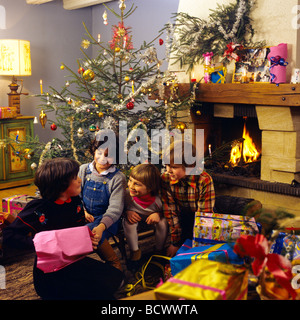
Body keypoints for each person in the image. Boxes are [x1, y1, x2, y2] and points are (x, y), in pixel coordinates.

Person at [3, 158, 124, 300]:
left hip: (72, 261)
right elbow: (8, 235)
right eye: (74, 177)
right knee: (101, 295)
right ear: (61, 185)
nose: (80, 180)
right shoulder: (38, 208)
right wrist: (40, 244)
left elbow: (76, 231)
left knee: (117, 279)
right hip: (49, 272)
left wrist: (88, 239)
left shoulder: (75, 202)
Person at [78, 130, 127, 272]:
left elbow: (115, 209)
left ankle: (114, 263)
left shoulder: (117, 178)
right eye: (99, 153)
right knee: (72, 231)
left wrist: (101, 226)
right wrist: (83, 211)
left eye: (108, 155)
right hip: (84, 214)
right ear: (93, 151)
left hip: (107, 220)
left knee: (91, 232)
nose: (102, 159)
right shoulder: (83, 170)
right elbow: (76, 196)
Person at [161, 140, 215, 257]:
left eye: (174, 167)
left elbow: (204, 217)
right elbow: (171, 211)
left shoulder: (204, 180)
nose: (168, 170)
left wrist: (199, 247)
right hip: (182, 215)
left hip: (200, 214)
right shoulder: (166, 178)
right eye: (166, 165)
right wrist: (175, 243)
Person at [123, 164, 168, 265]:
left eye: (137, 184)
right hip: (136, 220)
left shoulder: (158, 199)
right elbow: (118, 207)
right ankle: (135, 252)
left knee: (163, 223)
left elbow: (167, 212)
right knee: (128, 223)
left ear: (150, 188)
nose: (131, 186)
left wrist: (159, 214)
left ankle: (158, 250)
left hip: (152, 220)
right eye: (130, 180)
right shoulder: (126, 195)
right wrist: (126, 212)